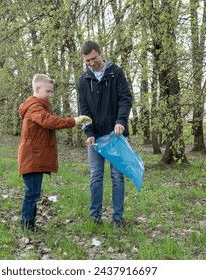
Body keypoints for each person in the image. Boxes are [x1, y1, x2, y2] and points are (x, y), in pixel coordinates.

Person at [18, 74, 91, 232]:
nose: (51, 94)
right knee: (32, 193)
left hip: (34, 157)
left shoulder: (39, 105)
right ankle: (26, 225)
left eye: (51, 92)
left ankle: (28, 224)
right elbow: (48, 121)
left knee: (33, 192)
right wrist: (74, 120)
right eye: (48, 91)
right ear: (37, 88)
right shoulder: (34, 106)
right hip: (32, 157)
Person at [78, 41, 132, 228]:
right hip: (95, 139)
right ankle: (95, 218)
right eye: (87, 61)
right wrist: (89, 132)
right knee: (96, 177)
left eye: (94, 58)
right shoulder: (83, 80)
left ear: (101, 53)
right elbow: (83, 110)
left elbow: (126, 99)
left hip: (115, 135)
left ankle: (117, 219)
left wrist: (121, 121)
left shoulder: (115, 73)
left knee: (117, 177)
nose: (91, 63)